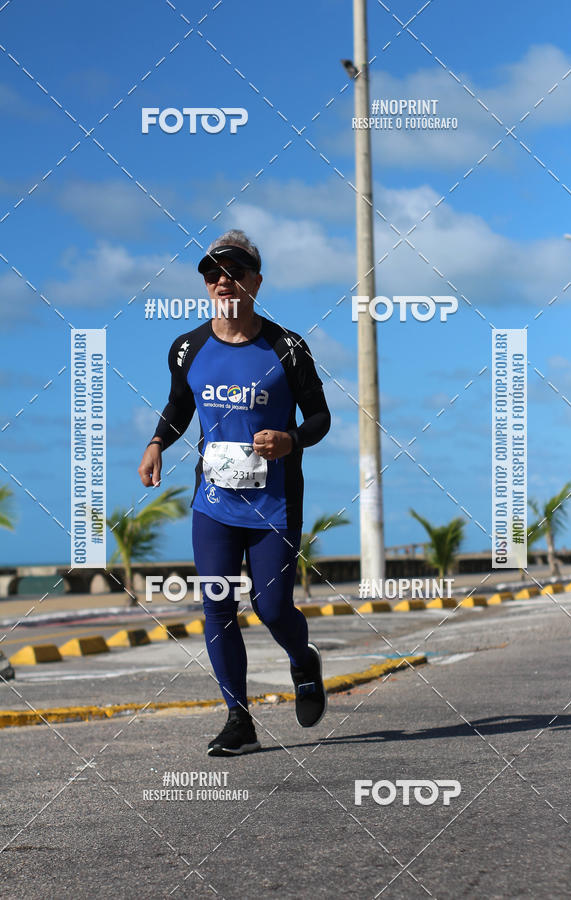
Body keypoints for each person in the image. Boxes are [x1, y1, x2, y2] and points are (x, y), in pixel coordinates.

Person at [137, 229, 331, 756]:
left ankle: (302, 661)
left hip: (274, 503)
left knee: (271, 608)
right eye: (212, 274)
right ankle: (238, 718)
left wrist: (290, 438)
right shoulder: (187, 347)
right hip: (215, 502)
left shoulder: (286, 347)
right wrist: (157, 442)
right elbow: (180, 405)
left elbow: (320, 417)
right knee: (217, 605)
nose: (223, 281)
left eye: (234, 272)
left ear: (255, 282)